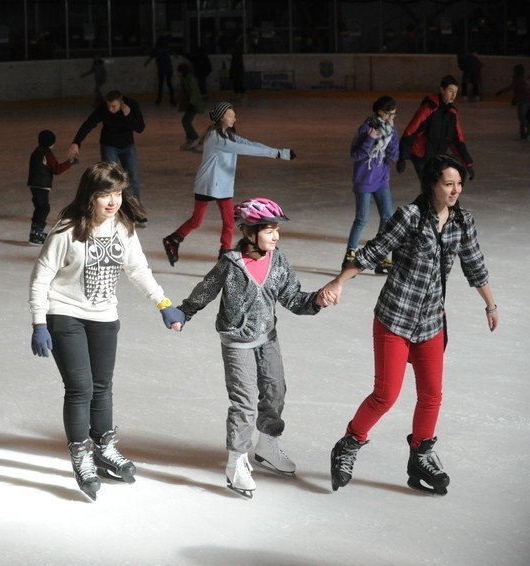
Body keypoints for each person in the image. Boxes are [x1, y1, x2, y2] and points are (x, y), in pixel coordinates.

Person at [323, 154, 498, 496]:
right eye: (448, 183)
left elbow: (475, 266)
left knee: (431, 395)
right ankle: (348, 445)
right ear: (432, 184)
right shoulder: (410, 217)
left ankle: (420, 455)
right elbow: (373, 252)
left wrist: (490, 304)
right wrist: (339, 282)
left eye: (459, 184)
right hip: (395, 318)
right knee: (385, 396)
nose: (455, 190)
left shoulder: (464, 222)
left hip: (431, 321)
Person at [28, 161, 184, 501]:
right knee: (80, 387)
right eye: (104, 194)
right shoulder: (67, 230)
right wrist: (39, 321)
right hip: (64, 313)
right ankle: (81, 453)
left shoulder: (123, 229)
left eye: (117, 193)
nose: (112, 201)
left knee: (102, 387)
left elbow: (138, 269)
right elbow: (41, 276)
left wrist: (163, 303)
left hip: (104, 316)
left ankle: (103, 447)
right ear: (90, 196)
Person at [175, 198, 330, 497]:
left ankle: (268, 445)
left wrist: (316, 301)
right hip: (237, 342)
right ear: (250, 233)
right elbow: (206, 289)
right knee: (244, 403)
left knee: (276, 391)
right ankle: (236, 461)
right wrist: (185, 312)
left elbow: (293, 298)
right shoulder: (230, 264)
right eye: (269, 230)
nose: (276, 236)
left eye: (276, 230)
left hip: (268, 337)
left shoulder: (279, 261)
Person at [162, 102, 294, 264]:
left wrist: (281, 153)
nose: (234, 119)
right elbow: (246, 149)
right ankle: (173, 240)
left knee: (228, 220)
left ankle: (224, 252)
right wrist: (278, 154)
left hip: (222, 186)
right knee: (197, 220)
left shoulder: (228, 135)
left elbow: (250, 144)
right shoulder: (214, 137)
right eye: (230, 115)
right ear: (220, 118)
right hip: (208, 184)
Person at [67, 90, 147, 224]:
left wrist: (129, 115)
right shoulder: (103, 109)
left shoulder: (131, 105)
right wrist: (76, 142)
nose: (110, 109)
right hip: (109, 146)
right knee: (109, 179)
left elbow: (140, 128)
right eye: (108, 106)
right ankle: (109, 212)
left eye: (114, 106)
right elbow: (89, 124)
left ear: (121, 103)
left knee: (133, 179)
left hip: (128, 146)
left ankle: (136, 211)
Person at [342, 96, 400, 273]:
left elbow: (394, 156)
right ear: (379, 112)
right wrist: (369, 140)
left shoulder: (391, 131)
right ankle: (350, 255)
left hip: (381, 179)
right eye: (388, 114)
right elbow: (355, 155)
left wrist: (389, 144)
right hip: (364, 180)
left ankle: (380, 256)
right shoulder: (366, 128)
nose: (391, 118)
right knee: (362, 218)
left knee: (387, 217)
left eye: (394, 114)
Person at [397, 75, 475, 182]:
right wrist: (403, 158)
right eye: (450, 90)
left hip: (437, 157)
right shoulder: (429, 109)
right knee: (432, 189)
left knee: (434, 190)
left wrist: (468, 163)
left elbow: (457, 140)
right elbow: (411, 131)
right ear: (442, 90)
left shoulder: (452, 113)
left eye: (455, 92)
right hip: (421, 156)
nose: (453, 95)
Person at [26, 129, 74, 245]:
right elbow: (56, 169)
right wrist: (70, 162)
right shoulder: (47, 153)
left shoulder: (36, 151)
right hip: (41, 185)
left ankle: (36, 232)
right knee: (43, 208)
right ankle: (36, 234)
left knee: (40, 207)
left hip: (34, 183)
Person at [494, 64, 530, 140]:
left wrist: (501, 92)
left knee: (522, 117)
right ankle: (523, 133)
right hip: (525, 101)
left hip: (523, 101)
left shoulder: (518, 80)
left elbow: (510, 88)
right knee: (524, 117)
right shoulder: (523, 79)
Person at [176, 62, 205, 151]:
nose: (179, 73)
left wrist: (191, 103)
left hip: (193, 104)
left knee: (186, 121)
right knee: (185, 121)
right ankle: (190, 140)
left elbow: (194, 93)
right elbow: (182, 92)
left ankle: (195, 138)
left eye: (180, 71)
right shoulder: (184, 79)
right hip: (189, 104)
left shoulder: (191, 79)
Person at [143, 35, 175, 105]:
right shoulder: (167, 49)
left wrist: (146, 63)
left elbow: (150, 58)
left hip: (161, 69)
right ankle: (172, 99)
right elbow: (174, 54)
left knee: (161, 84)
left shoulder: (157, 50)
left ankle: (159, 99)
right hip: (169, 69)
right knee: (169, 83)